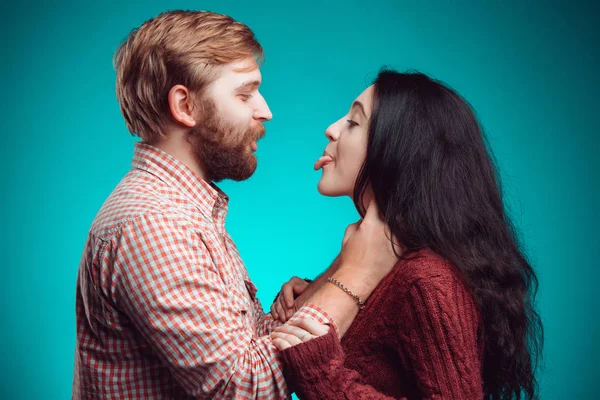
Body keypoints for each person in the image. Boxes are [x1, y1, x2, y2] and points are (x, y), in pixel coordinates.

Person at [72, 10, 398, 399]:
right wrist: (358, 276)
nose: (265, 111)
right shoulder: (155, 224)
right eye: (244, 94)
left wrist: (325, 286)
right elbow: (244, 387)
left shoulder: (188, 212)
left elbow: (241, 352)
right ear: (185, 106)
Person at [270, 70, 544, 400]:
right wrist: (320, 288)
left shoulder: (426, 280)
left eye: (353, 122)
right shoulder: (381, 259)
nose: (331, 129)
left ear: (399, 151)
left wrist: (323, 374)